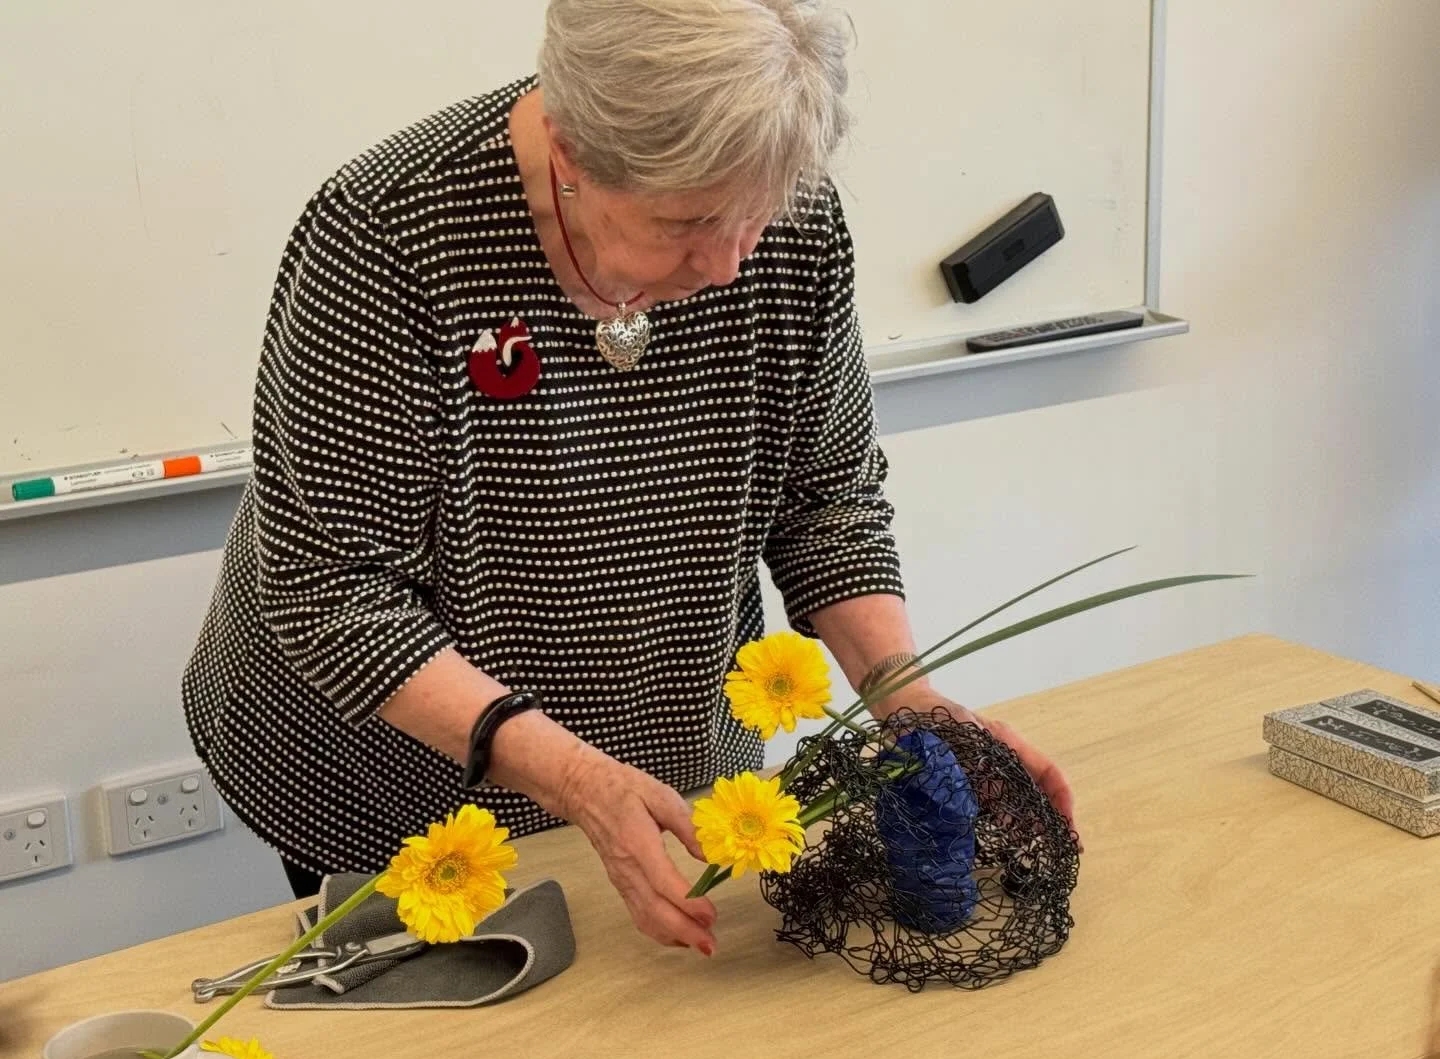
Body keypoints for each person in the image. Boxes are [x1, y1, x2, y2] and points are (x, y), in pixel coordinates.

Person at [182, 0, 1075, 958]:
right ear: (568, 150)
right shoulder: (389, 235)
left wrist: (917, 709)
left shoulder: (787, 217)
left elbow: (828, 503)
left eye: (755, 220)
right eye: (686, 223)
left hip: (669, 743)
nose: (730, 266)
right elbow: (332, 589)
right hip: (400, 771)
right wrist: (574, 779)